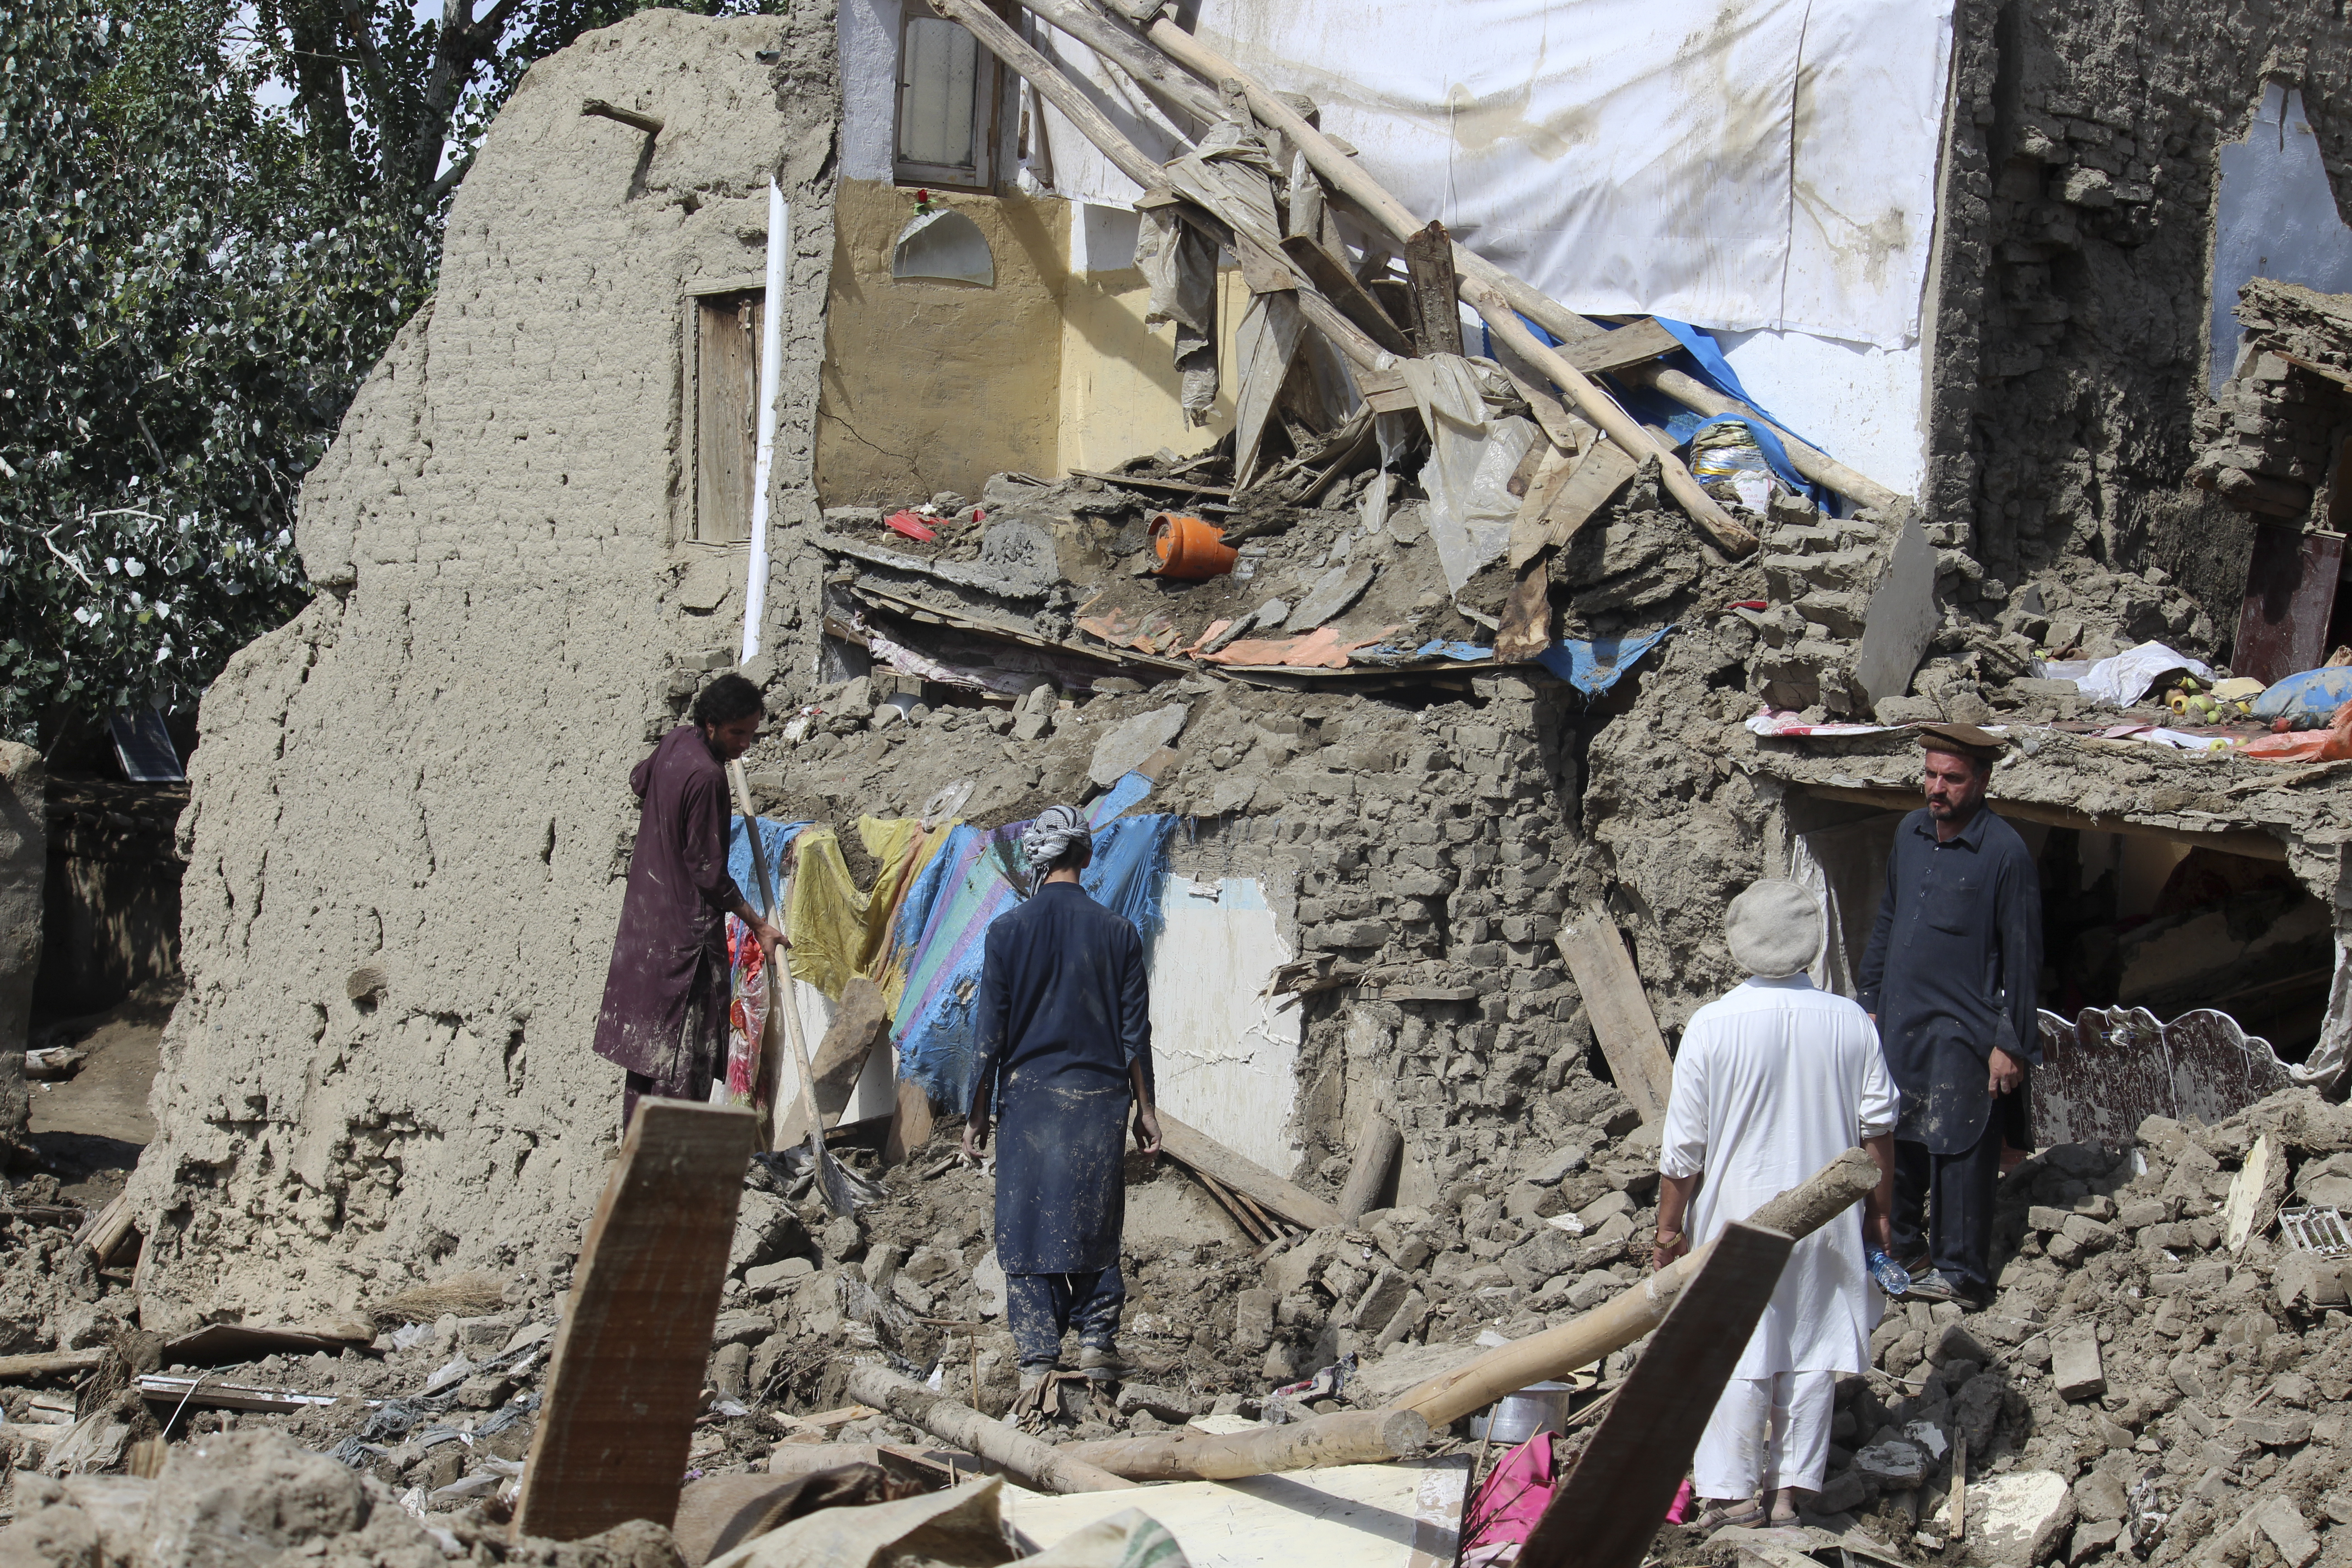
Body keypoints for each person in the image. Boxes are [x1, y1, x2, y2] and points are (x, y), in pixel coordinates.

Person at [1655, 879, 1899, 1529]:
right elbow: (1878, 1133)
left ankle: (1733, 1495)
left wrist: (1667, 1232)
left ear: (1739, 945)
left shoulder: (1712, 1026)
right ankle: (1788, 1494)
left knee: (1736, 1347)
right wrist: (1879, 1216)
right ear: (1810, 944)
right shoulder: (1850, 1021)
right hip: (1826, 1219)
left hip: (1736, 1217)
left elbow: (1683, 1150)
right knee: (1812, 1347)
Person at [963, 804, 1161, 1389]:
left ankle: (1037, 1360)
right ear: (1087, 855)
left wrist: (976, 1114)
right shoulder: (1119, 932)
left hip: (1027, 1101)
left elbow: (988, 1037)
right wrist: (1145, 1111)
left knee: (1024, 1227)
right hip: (1100, 1101)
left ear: (1038, 861)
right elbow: (1135, 1035)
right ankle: (1098, 1343)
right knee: (1095, 1224)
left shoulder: (1006, 933)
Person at [1858, 722, 2043, 1308]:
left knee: (1961, 1149)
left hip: (1967, 1029)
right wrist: (1870, 1001)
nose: (1937, 789)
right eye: (1931, 775)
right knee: (1902, 1135)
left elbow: (2023, 953)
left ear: (1982, 782)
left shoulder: (2004, 853)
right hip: (1903, 1019)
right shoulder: (1911, 832)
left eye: (1953, 779)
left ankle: (1963, 1275)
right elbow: (1888, 919)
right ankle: (1908, 1253)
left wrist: (2010, 1041)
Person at [592, 674, 784, 1129]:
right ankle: (670, 1172)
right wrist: (758, 923)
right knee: (680, 1060)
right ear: (712, 725)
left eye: (751, 734)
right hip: (684, 942)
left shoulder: (677, 743)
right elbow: (708, 873)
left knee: (647, 1057)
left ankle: (637, 1159)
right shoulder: (707, 776)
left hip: (646, 928)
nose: (745, 745)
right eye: (738, 733)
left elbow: (641, 780)